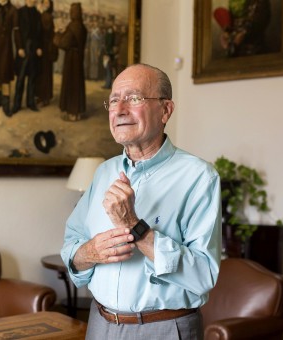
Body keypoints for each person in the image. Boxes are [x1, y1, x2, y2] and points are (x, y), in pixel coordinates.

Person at [60, 63, 222, 340]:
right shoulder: (103, 173)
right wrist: (90, 253)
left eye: (134, 98)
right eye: (114, 100)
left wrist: (136, 227)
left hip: (165, 328)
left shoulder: (199, 176)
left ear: (165, 110)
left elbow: (203, 275)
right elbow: (71, 247)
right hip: (100, 324)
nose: (120, 109)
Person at [53, 2, 86, 121]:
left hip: (71, 59)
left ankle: (72, 112)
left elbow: (63, 43)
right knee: (77, 84)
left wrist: (57, 34)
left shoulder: (72, 26)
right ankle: (78, 112)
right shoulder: (82, 26)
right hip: (78, 58)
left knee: (71, 84)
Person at [10, 0, 42, 114]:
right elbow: (16, 31)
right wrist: (19, 47)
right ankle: (17, 104)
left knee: (32, 77)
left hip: (33, 50)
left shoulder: (38, 14)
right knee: (21, 78)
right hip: (23, 49)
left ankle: (30, 103)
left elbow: (39, 33)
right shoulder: (19, 12)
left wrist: (39, 47)